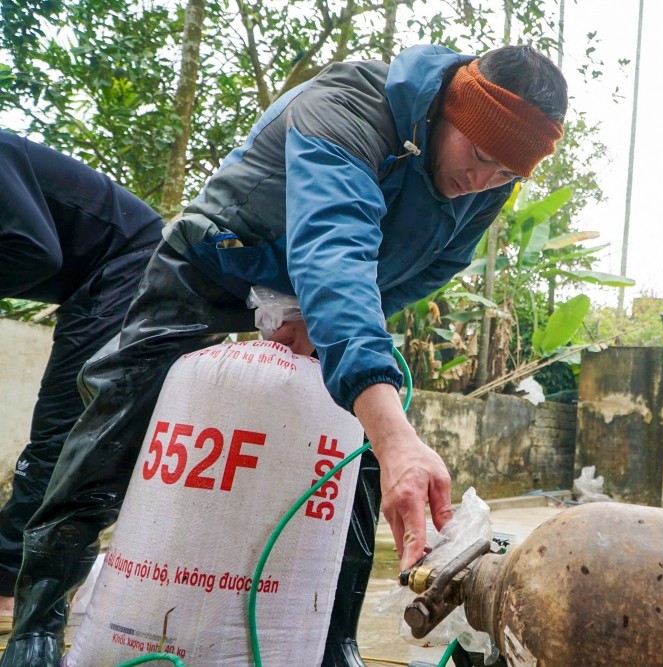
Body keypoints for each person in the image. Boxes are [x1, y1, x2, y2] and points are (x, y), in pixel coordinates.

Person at [1, 44, 567, 666]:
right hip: (220, 257)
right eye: (480, 155)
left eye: (508, 173)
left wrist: (324, 331)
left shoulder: (488, 183)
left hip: (326, 298)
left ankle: (334, 641)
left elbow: (428, 269)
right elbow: (332, 248)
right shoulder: (350, 107)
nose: (483, 181)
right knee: (116, 412)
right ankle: (37, 617)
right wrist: (385, 417)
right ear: (449, 112)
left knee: (361, 455)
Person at [0, 131, 163, 633]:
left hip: (127, 262)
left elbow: (33, 250)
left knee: (63, 428)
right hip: (89, 280)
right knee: (69, 429)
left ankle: (9, 586)